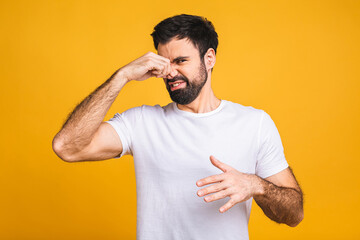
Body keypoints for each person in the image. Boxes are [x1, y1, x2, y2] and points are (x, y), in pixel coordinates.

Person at [52, 14, 304, 240]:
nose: (170, 72)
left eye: (180, 60)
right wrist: (122, 76)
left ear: (209, 58)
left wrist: (255, 185)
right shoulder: (142, 122)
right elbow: (67, 147)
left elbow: (294, 213)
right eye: (164, 63)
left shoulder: (254, 123)